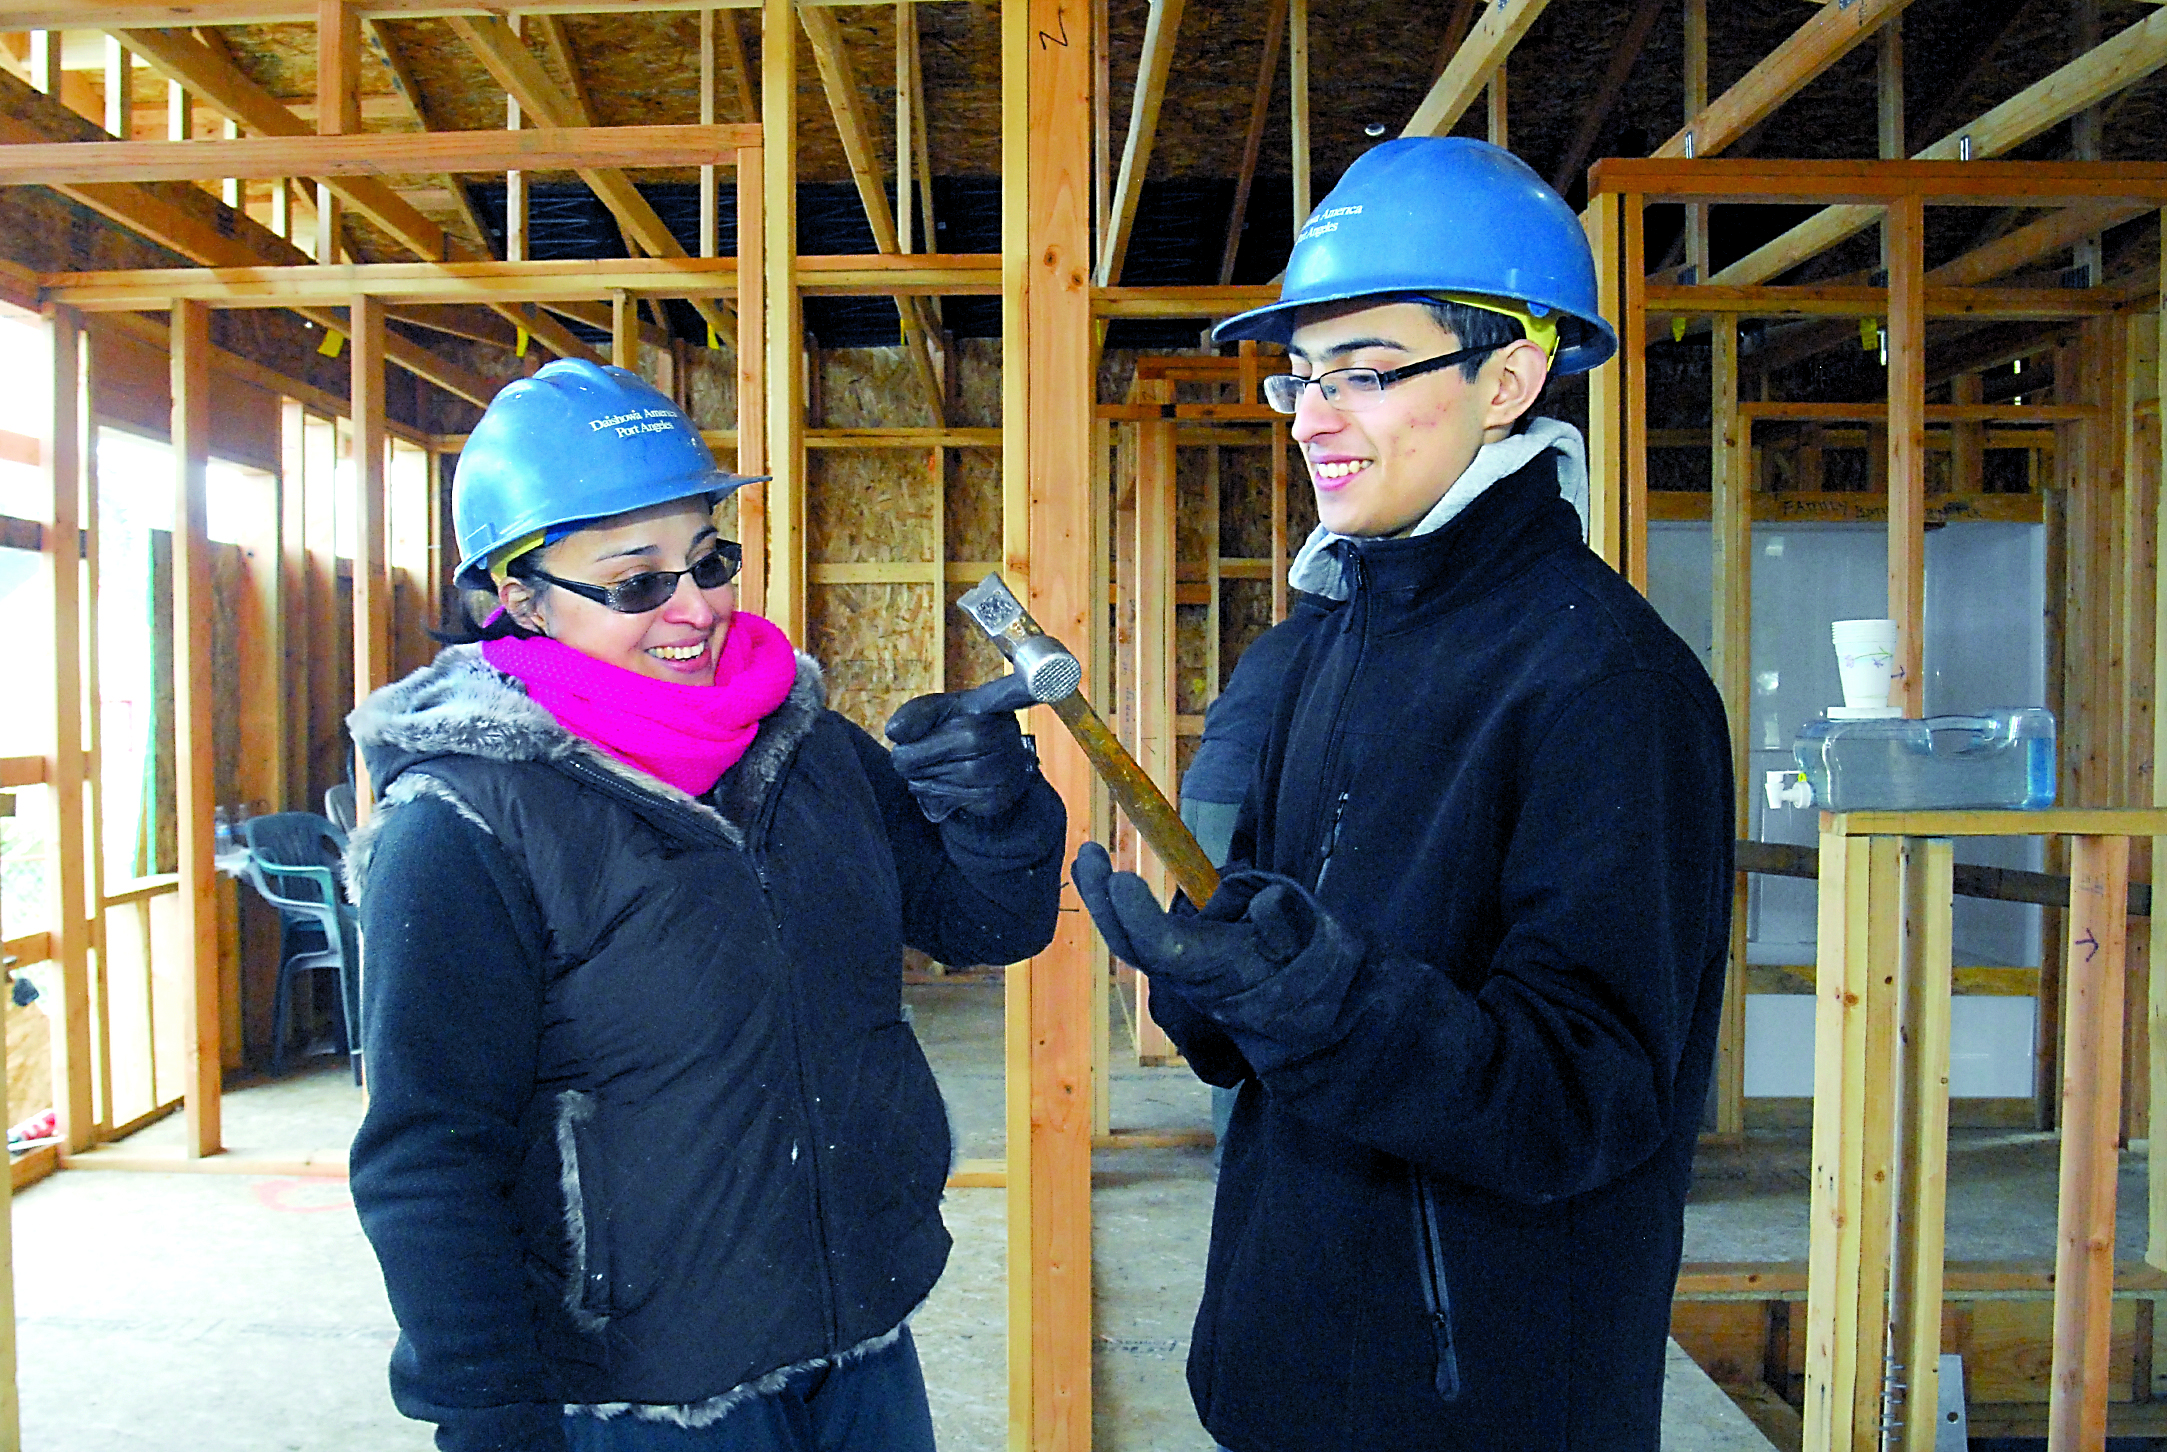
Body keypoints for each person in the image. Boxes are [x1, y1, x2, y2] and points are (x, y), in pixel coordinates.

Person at [1073, 138, 1734, 1450]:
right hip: (1281, 1370)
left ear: (1508, 379)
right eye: (1301, 375)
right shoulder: (1313, 650)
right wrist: (1211, 979)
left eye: (1364, 373)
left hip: (1477, 1401)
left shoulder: (1605, 684)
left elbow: (1582, 1099)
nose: (1313, 415)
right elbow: (1248, 1047)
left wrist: (1318, 999)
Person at [344, 359, 1066, 1452]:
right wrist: (492, 1423)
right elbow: (429, 1158)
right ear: (519, 596)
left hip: (860, 1343)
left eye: (710, 559)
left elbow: (986, 924)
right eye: (636, 581)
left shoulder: (808, 749)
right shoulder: (461, 824)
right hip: (636, 1397)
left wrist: (999, 809)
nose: (696, 608)